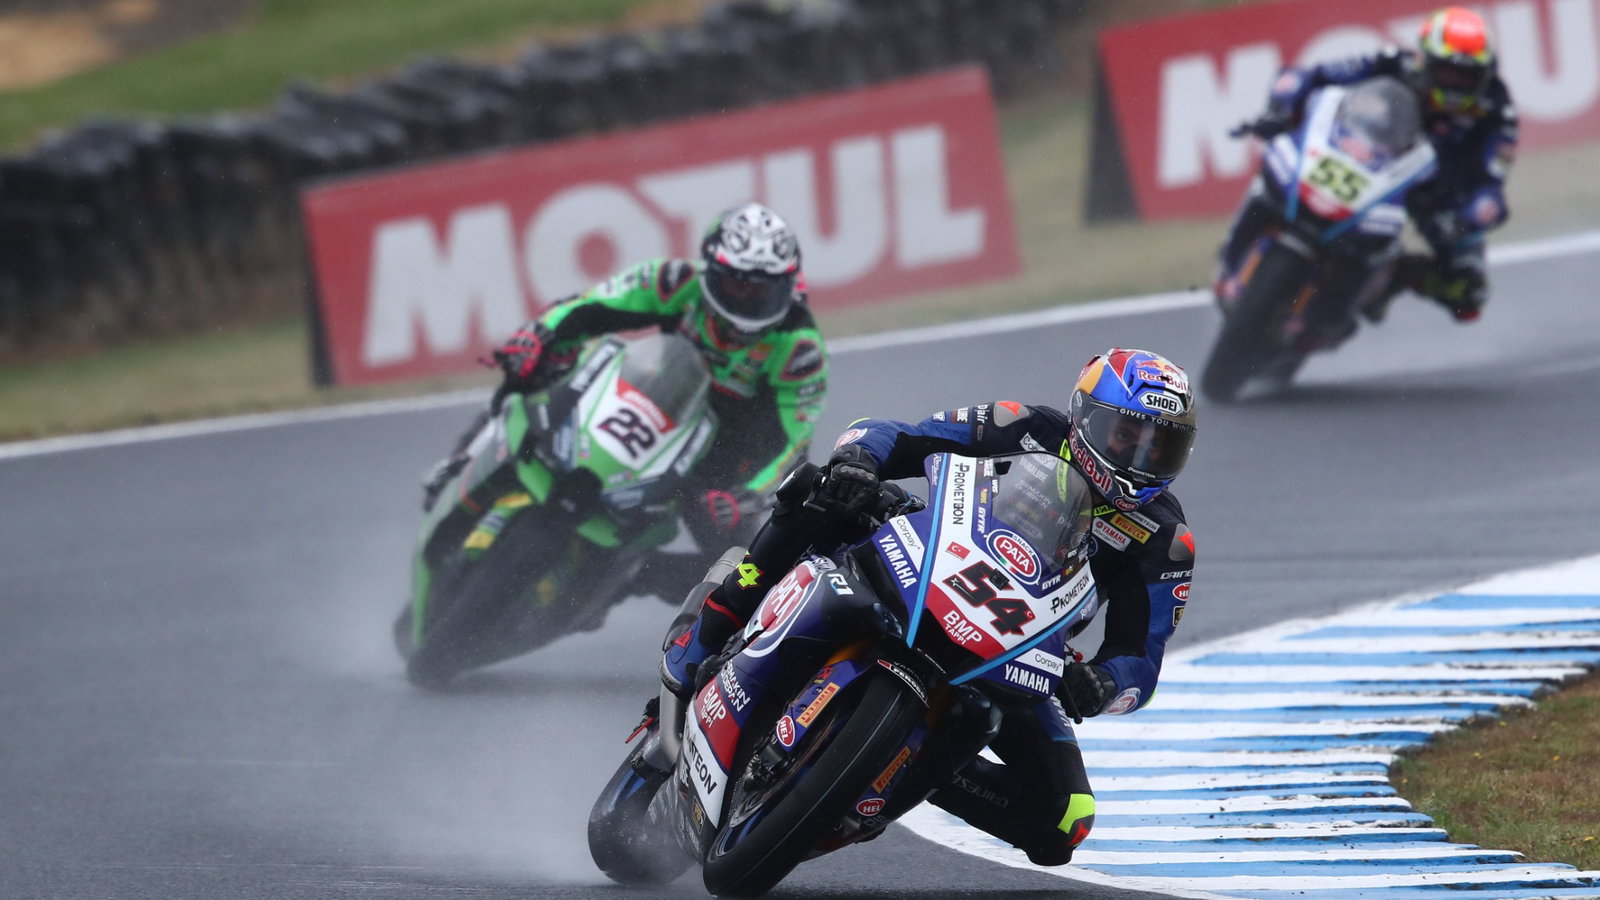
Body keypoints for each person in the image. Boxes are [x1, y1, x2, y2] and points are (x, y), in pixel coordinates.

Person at [660, 348, 1198, 866]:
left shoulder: (1165, 539)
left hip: (1014, 646)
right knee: (820, 492)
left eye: (1160, 448)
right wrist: (858, 461)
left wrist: (1102, 683)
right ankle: (705, 634)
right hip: (926, 560)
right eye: (1127, 436)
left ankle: (892, 770)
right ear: (1085, 418)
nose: (1139, 458)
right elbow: (899, 434)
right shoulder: (1021, 425)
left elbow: (1141, 660)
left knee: (1065, 821)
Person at [421, 202, 828, 580]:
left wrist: (746, 496)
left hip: (722, 458)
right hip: (657, 400)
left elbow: (792, 444)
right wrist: (539, 335)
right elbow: (589, 307)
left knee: (751, 569)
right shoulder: (674, 281)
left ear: (790, 283)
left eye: (763, 290)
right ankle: (461, 459)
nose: (748, 301)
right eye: (737, 285)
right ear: (710, 269)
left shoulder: (800, 349)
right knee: (538, 366)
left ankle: (635, 577)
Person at [1218, 6, 1518, 323]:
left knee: (1467, 291)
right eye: (1447, 71)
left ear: (1486, 74)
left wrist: (1469, 217)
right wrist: (1281, 109)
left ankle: (1394, 278)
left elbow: (1492, 185)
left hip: (1436, 193)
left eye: (1466, 76)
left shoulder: (1498, 110)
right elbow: (1315, 76)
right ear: (1425, 60)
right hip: (1367, 162)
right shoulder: (1393, 63)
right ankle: (1238, 249)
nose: (1455, 84)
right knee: (1278, 166)